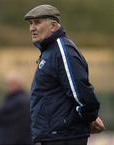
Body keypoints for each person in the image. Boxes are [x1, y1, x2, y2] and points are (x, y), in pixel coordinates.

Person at [24, 4, 105, 145]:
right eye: (31, 24)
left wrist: (90, 118)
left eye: (37, 22)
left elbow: (80, 90)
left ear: (54, 26)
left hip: (63, 137)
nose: (32, 28)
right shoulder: (50, 51)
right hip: (54, 136)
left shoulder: (62, 49)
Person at [0, 72, 31, 145]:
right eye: (7, 84)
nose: (8, 86)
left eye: (11, 83)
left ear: (18, 84)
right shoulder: (12, 99)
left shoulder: (21, 101)